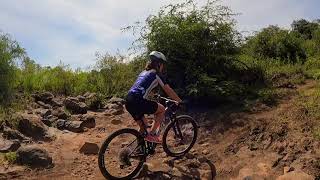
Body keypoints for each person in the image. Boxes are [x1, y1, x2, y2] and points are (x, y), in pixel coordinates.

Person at [125, 51, 182, 143]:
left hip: (128, 100)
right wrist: (179, 100)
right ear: (159, 64)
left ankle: (140, 150)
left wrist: (153, 95)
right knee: (162, 109)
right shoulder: (156, 74)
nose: (163, 67)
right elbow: (168, 89)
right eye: (163, 64)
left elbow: (142, 86)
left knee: (144, 127)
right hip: (137, 100)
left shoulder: (144, 72)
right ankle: (152, 135)